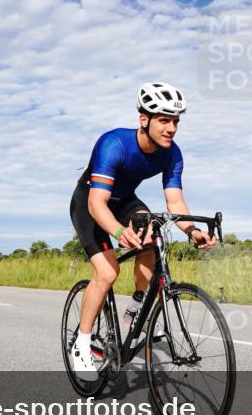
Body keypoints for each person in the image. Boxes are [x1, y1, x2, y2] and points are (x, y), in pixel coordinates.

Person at [68, 83, 216, 380]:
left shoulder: (171, 153)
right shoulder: (114, 144)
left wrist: (192, 230)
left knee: (153, 236)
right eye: (164, 120)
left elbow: (175, 202)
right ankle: (81, 344)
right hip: (90, 203)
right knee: (107, 272)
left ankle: (137, 307)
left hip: (125, 201)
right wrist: (118, 231)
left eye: (176, 121)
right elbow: (97, 204)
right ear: (144, 119)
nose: (171, 128)